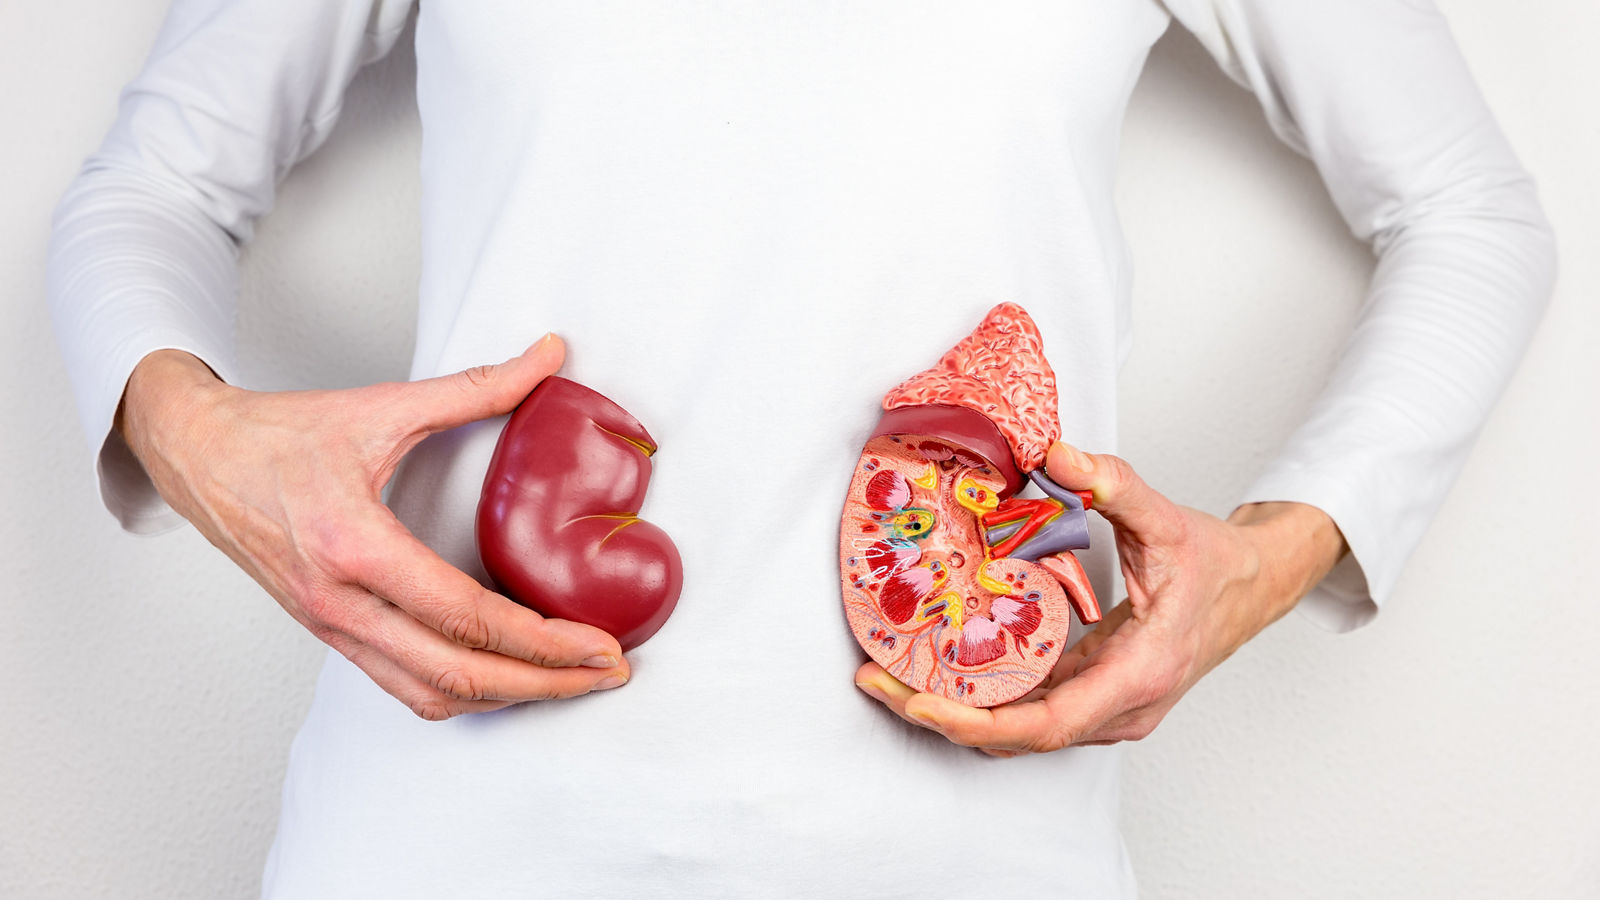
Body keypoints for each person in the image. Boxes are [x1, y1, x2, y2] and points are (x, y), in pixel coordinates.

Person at [47, 0, 1555, 896]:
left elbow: (1470, 216)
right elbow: (153, 190)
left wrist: (1273, 557)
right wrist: (207, 446)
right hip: (450, 840)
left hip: (964, 858)